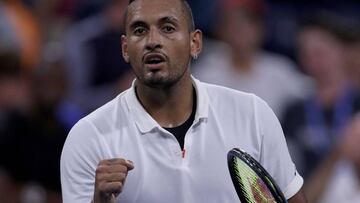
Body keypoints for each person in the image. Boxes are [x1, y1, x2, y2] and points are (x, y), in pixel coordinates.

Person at [60, 0, 307, 202]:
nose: (152, 41)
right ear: (125, 48)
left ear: (195, 43)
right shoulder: (89, 136)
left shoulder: (252, 113)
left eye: (168, 28)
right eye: (139, 30)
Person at [281, 12, 360, 203]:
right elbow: (290, 189)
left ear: (343, 51)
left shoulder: (357, 104)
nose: (315, 62)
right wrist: (338, 153)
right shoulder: (294, 112)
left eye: (321, 52)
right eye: (306, 54)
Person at [192, 0, 309, 119]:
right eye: (233, 25)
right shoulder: (205, 73)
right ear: (221, 30)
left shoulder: (280, 71)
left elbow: (315, 96)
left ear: (261, 29)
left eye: (247, 23)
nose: (240, 31)